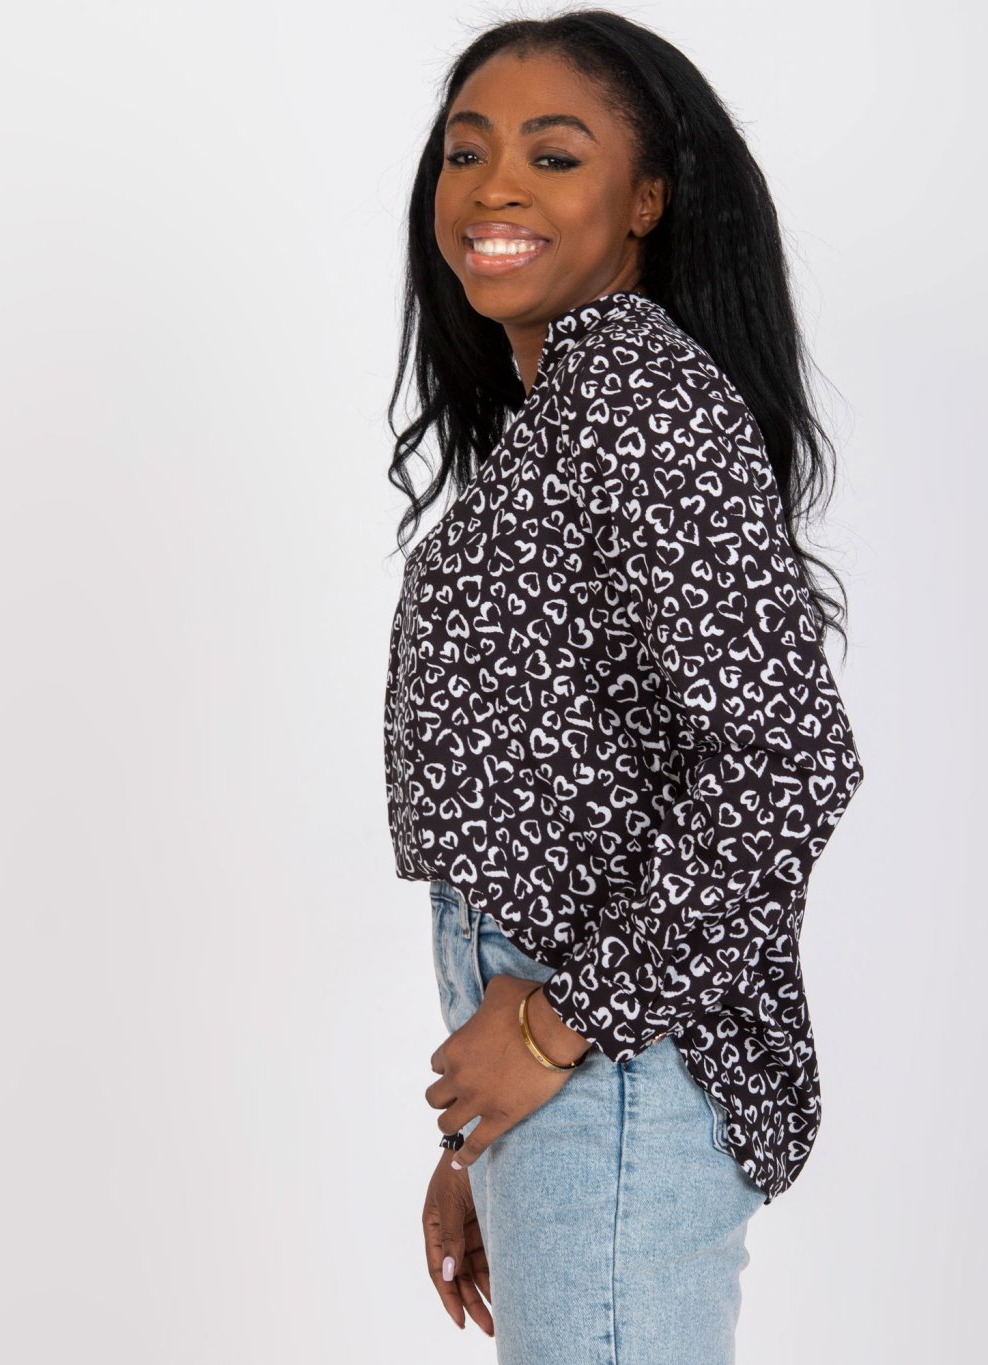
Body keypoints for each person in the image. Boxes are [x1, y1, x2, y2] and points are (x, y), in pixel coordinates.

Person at [382, 10, 865, 1362]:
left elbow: (786, 765)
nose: (495, 188)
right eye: (467, 152)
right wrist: (493, 1136)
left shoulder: (641, 397)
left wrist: (554, 1033)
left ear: (646, 198)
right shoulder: (569, 415)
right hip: (580, 1081)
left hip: (618, 1061)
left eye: (554, 154)